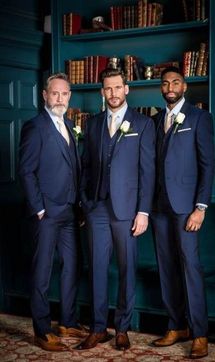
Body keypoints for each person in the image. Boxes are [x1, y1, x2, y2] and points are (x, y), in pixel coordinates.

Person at [75, 68, 156, 351]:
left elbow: (148, 172)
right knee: (96, 269)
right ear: (102, 91)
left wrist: (143, 211)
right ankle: (98, 328)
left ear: (127, 89)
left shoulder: (144, 123)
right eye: (108, 88)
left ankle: (122, 328)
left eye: (117, 87)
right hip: (96, 208)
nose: (113, 93)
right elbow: (86, 166)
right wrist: (85, 202)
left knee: (126, 269)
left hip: (127, 211)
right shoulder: (93, 124)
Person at [18, 73, 88, 352]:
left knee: (72, 266)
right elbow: (26, 170)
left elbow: (74, 167)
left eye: (65, 93)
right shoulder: (35, 127)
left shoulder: (70, 125)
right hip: (46, 213)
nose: (60, 98)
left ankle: (68, 321)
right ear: (44, 96)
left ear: (69, 96)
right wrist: (38, 208)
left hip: (71, 211)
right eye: (55, 93)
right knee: (43, 271)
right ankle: (42, 330)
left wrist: (80, 205)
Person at [151, 66, 215, 359]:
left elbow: (207, 165)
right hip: (159, 207)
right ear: (161, 88)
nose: (170, 86)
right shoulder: (153, 121)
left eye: (175, 81)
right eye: (165, 83)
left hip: (187, 207)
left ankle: (199, 332)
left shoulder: (200, 118)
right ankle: (176, 326)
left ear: (184, 86)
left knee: (190, 267)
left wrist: (200, 207)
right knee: (166, 267)